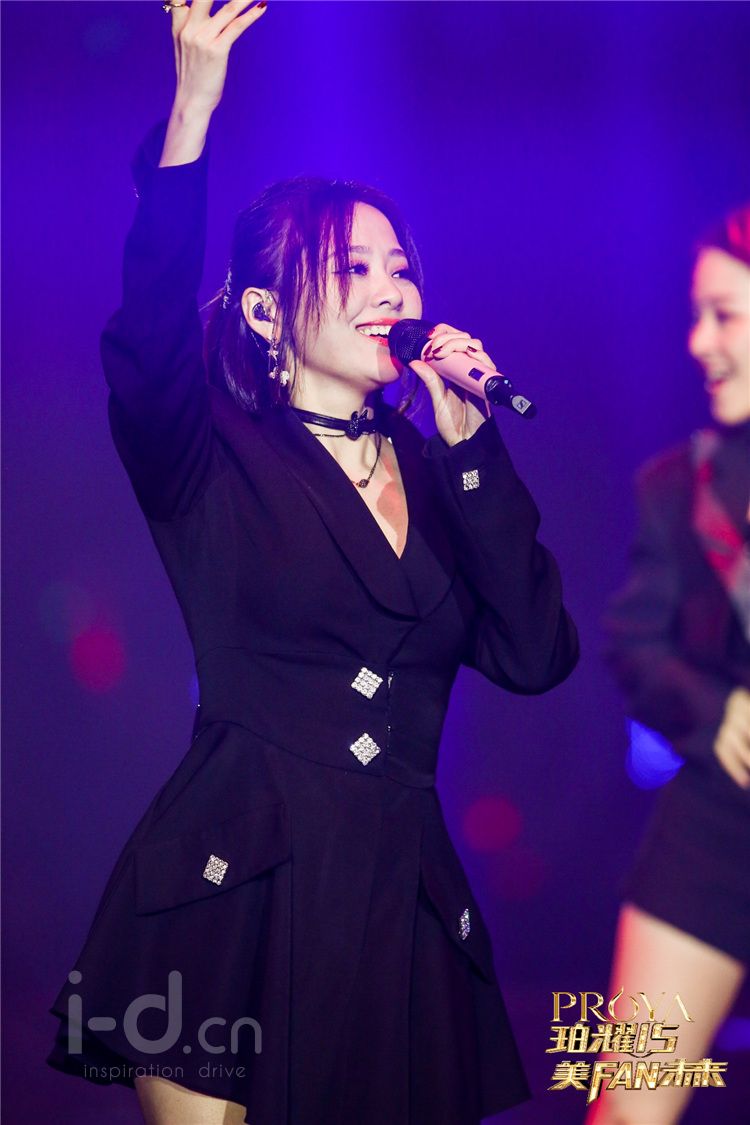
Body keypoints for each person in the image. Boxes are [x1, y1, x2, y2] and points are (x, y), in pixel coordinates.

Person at [46, 3, 579, 1123]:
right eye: (354, 267)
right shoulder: (210, 457)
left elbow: (536, 656)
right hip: (233, 880)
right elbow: (146, 337)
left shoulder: (441, 476)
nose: (394, 289)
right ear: (264, 312)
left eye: (401, 267)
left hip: (400, 893)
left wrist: (472, 451)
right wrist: (192, 110)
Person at [587, 206, 750, 1125]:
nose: (699, 342)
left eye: (724, 315)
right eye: (695, 316)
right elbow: (633, 643)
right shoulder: (678, 484)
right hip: (717, 827)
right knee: (628, 1109)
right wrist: (719, 709)